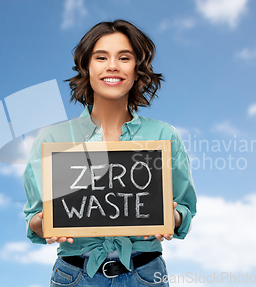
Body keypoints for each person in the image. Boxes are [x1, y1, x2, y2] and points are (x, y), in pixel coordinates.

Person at [23, 19, 197, 286]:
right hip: (75, 275)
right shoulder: (53, 139)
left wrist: (170, 217)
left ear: (137, 69)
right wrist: (45, 222)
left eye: (124, 57)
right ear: (87, 67)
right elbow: (34, 218)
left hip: (145, 274)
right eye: (101, 57)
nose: (112, 66)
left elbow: (184, 207)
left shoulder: (164, 136)